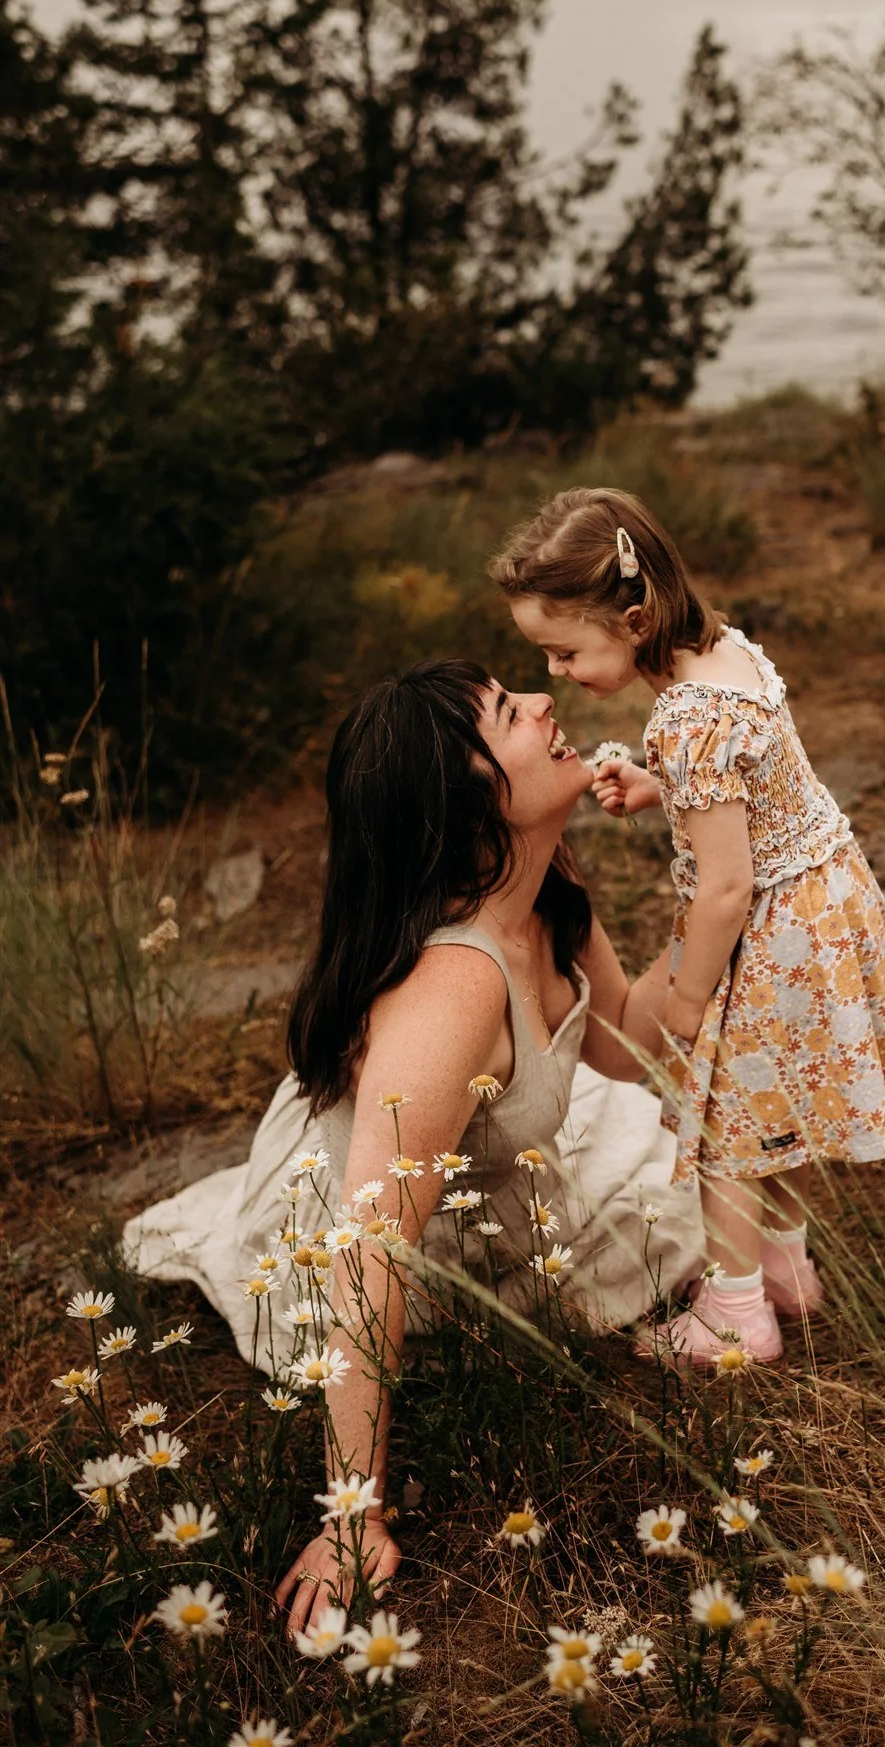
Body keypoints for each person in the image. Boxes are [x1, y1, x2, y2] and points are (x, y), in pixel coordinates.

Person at [121, 659, 704, 1636]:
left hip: (478, 1196)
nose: (547, 701)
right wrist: (356, 1517)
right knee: (660, 1208)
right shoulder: (454, 989)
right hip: (356, 1243)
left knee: (668, 1169)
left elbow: (622, 1044)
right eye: (513, 713)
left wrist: (718, 885)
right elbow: (367, 1254)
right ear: (469, 804)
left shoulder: (546, 879)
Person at [491, 488, 885, 1367]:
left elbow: (725, 888)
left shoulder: (687, 718)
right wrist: (663, 789)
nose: (558, 673)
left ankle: (734, 1313)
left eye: (564, 651)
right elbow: (752, 779)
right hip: (822, 902)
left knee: (727, 1119)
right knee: (773, 1106)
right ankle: (783, 1267)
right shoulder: (724, 655)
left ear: (635, 616)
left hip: (767, 926)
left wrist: (687, 1003)